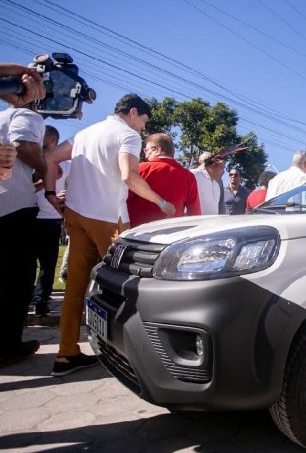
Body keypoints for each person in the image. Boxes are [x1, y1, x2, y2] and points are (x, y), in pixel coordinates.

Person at [43, 94, 176, 377]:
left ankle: (66, 353)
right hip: (108, 221)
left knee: (76, 286)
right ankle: (128, 354)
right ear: (132, 112)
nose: (143, 127)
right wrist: (161, 202)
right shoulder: (127, 135)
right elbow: (129, 176)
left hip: (76, 216)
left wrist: (50, 193)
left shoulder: (85, 133)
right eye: (143, 121)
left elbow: (50, 157)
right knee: (123, 288)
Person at [0, 64, 47, 367]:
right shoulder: (27, 115)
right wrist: (49, 169)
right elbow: (22, 146)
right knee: (17, 281)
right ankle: (8, 346)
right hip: (15, 207)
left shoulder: (2, 116)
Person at [29, 125, 68, 317]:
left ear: (54, 142)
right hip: (29, 216)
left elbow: (73, 187)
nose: (42, 149)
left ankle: (41, 301)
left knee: (48, 264)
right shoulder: (30, 162)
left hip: (52, 219)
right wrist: (45, 181)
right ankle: (28, 298)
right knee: (27, 263)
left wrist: (65, 196)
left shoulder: (66, 166)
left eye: (45, 145)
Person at [127, 133, 201, 227]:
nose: (145, 155)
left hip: (137, 235)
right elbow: (195, 214)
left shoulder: (138, 170)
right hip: (173, 235)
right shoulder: (188, 176)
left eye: (146, 150)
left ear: (157, 150)